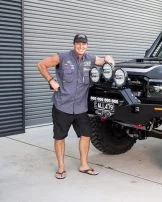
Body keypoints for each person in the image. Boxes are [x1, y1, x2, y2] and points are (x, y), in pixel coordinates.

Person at [37, 34, 114, 179]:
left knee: (86, 135)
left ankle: (84, 165)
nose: (81, 46)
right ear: (74, 45)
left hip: (80, 107)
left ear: (87, 45)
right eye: (78, 43)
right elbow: (41, 64)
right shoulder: (62, 56)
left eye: (83, 44)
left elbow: (103, 60)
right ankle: (61, 168)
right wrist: (51, 80)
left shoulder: (90, 58)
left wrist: (108, 58)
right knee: (59, 137)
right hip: (62, 106)